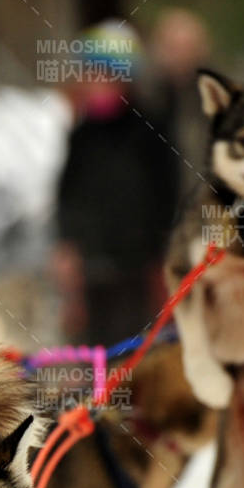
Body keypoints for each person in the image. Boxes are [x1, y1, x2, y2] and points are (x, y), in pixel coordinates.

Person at [53, 19, 181, 346]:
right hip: (91, 268)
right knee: (93, 350)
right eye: (90, 74)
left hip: (138, 266)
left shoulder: (150, 131)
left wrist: (165, 254)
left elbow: (168, 194)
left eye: (105, 75)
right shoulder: (81, 135)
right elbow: (67, 196)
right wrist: (67, 247)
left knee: (135, 349)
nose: (96, 83)